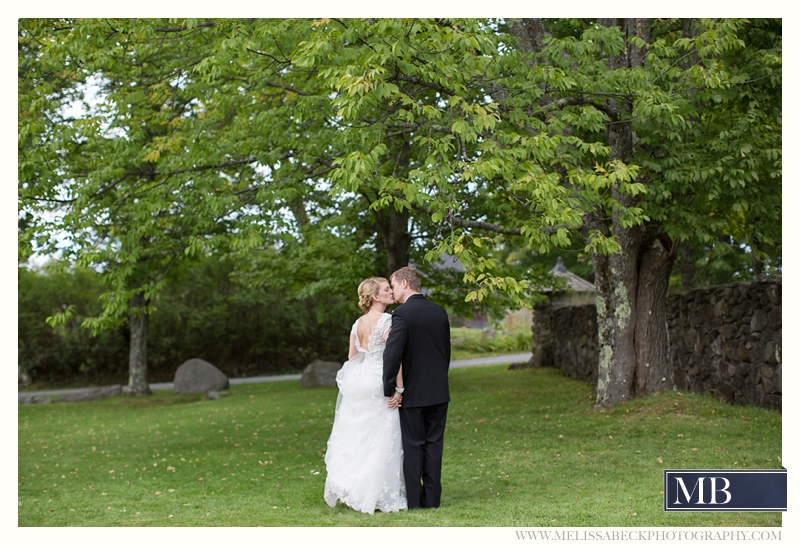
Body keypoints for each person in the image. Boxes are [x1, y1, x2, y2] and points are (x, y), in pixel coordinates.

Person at [323, 277, 407, 514]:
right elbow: (394, 357)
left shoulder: (357, 323)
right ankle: (378, 492)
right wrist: (399, 389)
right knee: (383, 434)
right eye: (386, 290)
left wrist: (362, 371)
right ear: (375, 297)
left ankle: (355, 486)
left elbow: (352, 356)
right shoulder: (388, 320)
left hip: (362, 380)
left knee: (359, 434)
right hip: (381, 379)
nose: (391, 292)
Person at [383, 266, 451, 509]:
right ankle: (432, 501)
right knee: (434, 445)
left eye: (392, 286)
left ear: (404, 283)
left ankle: (414, 501)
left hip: (412, 392)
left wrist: (390, 388)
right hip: (439, 390)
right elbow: (446, 353)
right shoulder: (439, 312)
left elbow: (393, 355)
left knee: (413, 446)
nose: (392, 291)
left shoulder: (401, 314)